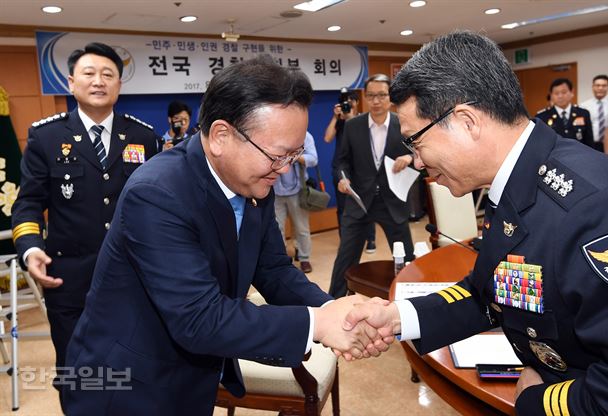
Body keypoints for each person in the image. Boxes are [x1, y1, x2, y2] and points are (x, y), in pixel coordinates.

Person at [62, 55, 391, 415]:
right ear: (221, 136)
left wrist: (333, 309)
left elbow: (274, 269)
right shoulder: (157, 193)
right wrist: (318, 324)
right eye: (278, 155)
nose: (283, 170)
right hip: (126, 386)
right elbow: (199, 318)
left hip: (193, 377)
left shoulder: (252, 179)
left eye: (293, 155)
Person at [344, 31, 608, 415]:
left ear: (467, 121)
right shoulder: (517, 181)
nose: (416, 162)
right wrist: (399, 316)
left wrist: (535, 400)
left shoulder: (597, 209)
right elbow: (493, 292)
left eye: (415, 142)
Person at [11, 42, 160, 406]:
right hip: (71, 278)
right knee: (79, 372)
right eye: (89, 74)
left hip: (135, 276)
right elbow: (29, 202)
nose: (98, 81)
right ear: (71, 82)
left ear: (119, 85)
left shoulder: (143, 137)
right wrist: (31, 249)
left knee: (134, 365)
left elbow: (158, 206)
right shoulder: (46, 136)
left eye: (108, 74)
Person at [328, 74, 415, 298]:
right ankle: (332, 303)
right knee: (345, 258)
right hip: (359, 200)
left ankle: (412, 303)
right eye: (372, 96)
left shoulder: (403, 124)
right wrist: (342, 178)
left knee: (406, 257)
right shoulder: (353, 125)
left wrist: (410, 158)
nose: (376, 101)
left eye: (382, 95)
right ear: (365, 98)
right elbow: (341, 161)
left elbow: (422, 152)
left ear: (391, 98)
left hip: (392, 202)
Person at [324, 89, 377, 254]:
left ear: (356, 103)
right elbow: (327, 138)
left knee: (366, 204)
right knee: (342, 208)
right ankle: (345, 240)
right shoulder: (339, 121)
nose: (348, 105)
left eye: (351, 101)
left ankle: (370, 239)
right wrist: (335, 117)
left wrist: (351, 118)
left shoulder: (364, 120)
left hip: (361, 169)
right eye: (345, 102)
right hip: (340, 169)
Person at [274, 131, 317, 273]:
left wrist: (294, 157)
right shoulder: (270, 133)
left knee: (302, 228)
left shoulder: (305, 135)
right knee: (276, 228)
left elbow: (313, 159)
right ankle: (281, 260)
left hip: (299, 190)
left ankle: (304, 258)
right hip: (274, 190)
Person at [536, 78, 595, 148]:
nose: (560, 96)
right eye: (556, 93)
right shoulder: (542, 117)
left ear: (571, 92)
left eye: (564, 92)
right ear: (551, 95)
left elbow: (589, 142)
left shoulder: (583, 113)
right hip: (555, 157)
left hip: (580, 156)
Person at [579, 74, 608, 152]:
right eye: (597, 85)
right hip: (592, 145)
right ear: (593, 87)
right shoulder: (584, 106)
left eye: (604, 85)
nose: (600, 88)